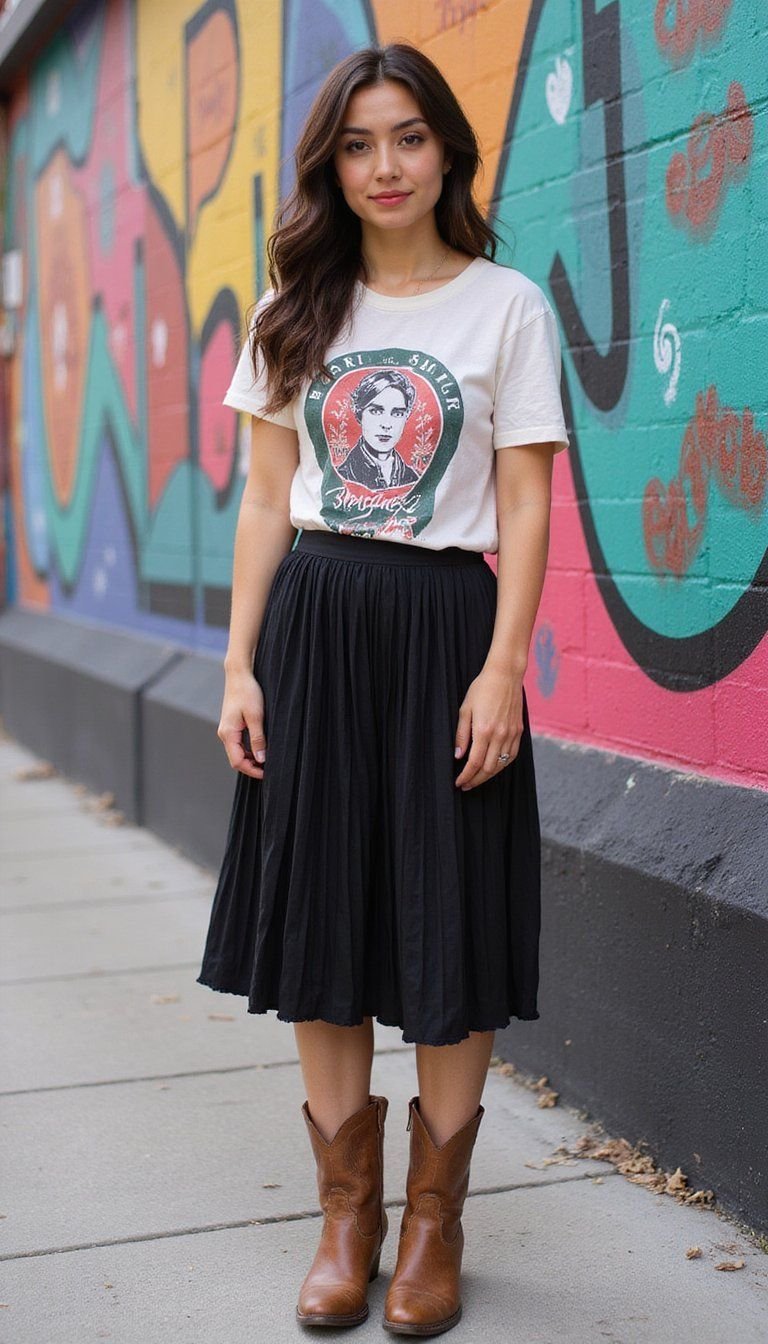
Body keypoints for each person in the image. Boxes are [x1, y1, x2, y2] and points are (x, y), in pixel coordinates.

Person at [197, 40, 569, 1337]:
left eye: (408, 136)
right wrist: (239, 664)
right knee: (323, 922)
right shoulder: (293, 310)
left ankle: (434, 1227)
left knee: (448, 919)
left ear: (448, 149)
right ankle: (345, 1218)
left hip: (445, 631)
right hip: (314, 627)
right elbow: (258, 499)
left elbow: (525, 501)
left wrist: (504, 669)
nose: (385, 165)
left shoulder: (506, 306)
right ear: (330, 167)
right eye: (358, 144)